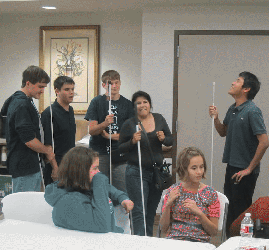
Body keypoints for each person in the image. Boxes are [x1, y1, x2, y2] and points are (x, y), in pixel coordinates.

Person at [208, 71, 269, 238]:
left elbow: (264, 141)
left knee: (240, 214)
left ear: (246, 89)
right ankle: (230, 244)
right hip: (232, 167)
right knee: (230, 211)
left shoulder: (252, 111)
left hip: (244, 172)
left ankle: (241, 245)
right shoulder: (232, 108)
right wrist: (215, 118)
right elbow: (223, 132)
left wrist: (249, 169)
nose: (233, 83)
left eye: (238, 81)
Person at [118, 90, 173, 236]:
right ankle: (139, 244)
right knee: (139, 211)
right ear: (134, 106)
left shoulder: (159, 119)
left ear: (150, 104)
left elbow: (170, 140)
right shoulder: (129, 124)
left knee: (150, 212)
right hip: (136, 172)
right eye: (138, 103)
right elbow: (120, 148)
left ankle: (148, 241)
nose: (142, 105)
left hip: (156, 173)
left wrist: (163, 139)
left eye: (145, 102)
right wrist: (132, 141)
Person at [44, 146, 134, 233]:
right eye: (95, 168)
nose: (98, 172)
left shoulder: (88, 185)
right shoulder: (69, 201)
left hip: (110, 236)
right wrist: (100, 180)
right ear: (80, 171)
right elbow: (102, 226)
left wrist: (123, 198)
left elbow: (109, 189)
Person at [1, 65, 56, 193]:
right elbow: (29, 140)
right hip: (24, 168)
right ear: (28, 83)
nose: (42, 90)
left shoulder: (23, 100)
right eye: (40, 86)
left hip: (28, 165)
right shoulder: (21, 104)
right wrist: (47, 151)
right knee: (24, 209)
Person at [84, 70, 134, 192]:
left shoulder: (128, 105)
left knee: (121, 191)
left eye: (117, 83)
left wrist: (109, 136)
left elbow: (130, 135)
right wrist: (105, 124)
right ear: (104, 85)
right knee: (99, 189)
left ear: (120, 83)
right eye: (110, 83)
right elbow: (92, 130)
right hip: (99, 153)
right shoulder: (96, 102)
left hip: (121, 154)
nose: (114, 86)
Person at [160, 147, 220, 243]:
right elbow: (163, 229)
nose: (199, 172)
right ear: (184, 169)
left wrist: (200, 213)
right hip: (174, 241)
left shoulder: (210, 193)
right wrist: (167, 205)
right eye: (194, 168)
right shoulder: (173, 191)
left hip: (199, 242)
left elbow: (213, 232)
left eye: (202, 166)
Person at [41, 76, 76, 186]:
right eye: (67, 89)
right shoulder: (49, 113)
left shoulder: (70, 110)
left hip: (69, 162)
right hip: (55, 164)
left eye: (72, 89)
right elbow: (47, 145)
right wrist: (55, 168)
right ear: (57, 91)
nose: (71, 92)